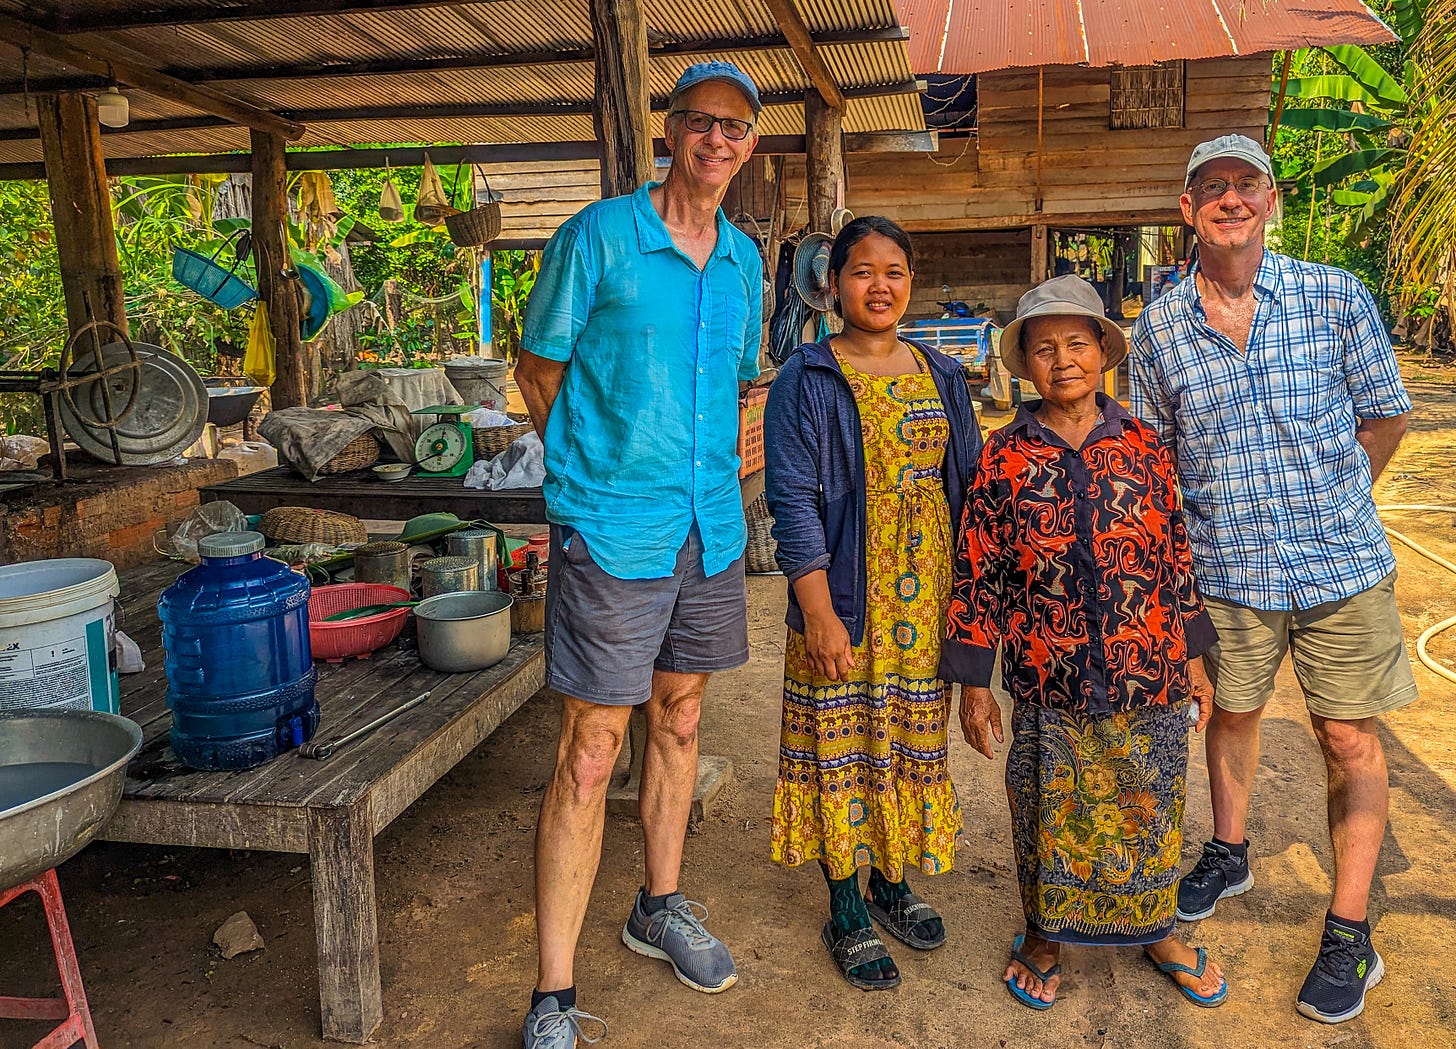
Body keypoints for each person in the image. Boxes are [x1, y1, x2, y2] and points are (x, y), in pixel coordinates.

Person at [1130, 134, 1415, 1025]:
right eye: (1210, 187)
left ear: (1271, 200)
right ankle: (1229, 848)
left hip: (1342, 566)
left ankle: (1349, 930)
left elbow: (1386, 416)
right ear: (1186, 209)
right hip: (1225, 571)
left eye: (1244, 185)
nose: (1229, 200)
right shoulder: (1159, 329)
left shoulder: (1333, 295)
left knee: (1346, 740)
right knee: (1231, 714)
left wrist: (1333, 499)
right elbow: (1152, 460)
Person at [513, 61, 764, 1048]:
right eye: (700, 122)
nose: (716, 140)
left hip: (707, 526)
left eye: (735, 128)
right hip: (612, 529)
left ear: (748, 148)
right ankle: (553, 994)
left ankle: (658, 903)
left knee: (682, 716)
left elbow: (742, 385)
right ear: (670, 131)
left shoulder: (743, 262)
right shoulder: (599, 238)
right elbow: (538, 368)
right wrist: (586, 479)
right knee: (589, 749)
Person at [948, 275, 1228, 1010]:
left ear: (1103, 350)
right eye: (1045, 348)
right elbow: (979, 570)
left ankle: (1158, 928)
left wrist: (1196, 658)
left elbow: (1173, 554)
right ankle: (1044, 934)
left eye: (1078, 342)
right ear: (1025, 364)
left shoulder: (1141, 443)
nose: (1063, 359)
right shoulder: (1003, 457)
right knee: (1045, 807)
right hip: (1051, 675)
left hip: (1149, 673)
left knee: (1152, 802)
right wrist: (974, 682)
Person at [764, 216, 983, 991]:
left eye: (895, 270)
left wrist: (976, 610)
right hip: (848, 597)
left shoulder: (943, 374)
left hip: (926, 602)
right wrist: (818, 612)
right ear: (833, 286)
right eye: (862, 271)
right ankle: (846, 902)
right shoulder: (808, 376)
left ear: (910, 281)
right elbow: (791, 502)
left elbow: (971, 488)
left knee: (910, 742)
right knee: (842, 745)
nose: (880, 285)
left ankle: (892, 880)